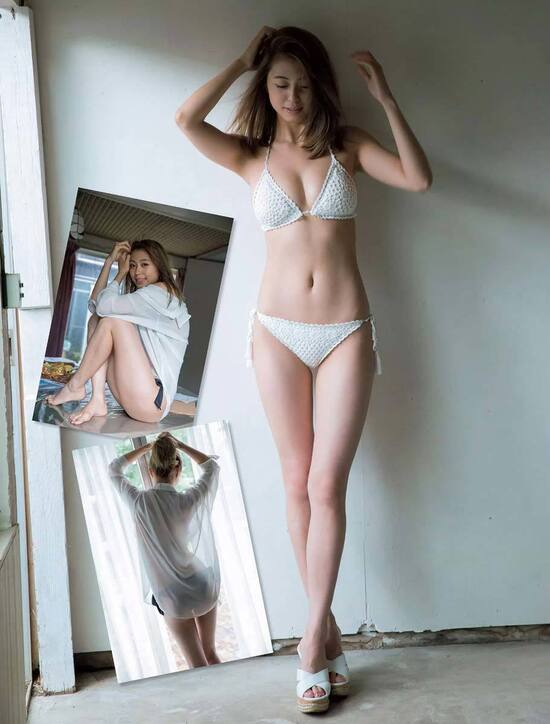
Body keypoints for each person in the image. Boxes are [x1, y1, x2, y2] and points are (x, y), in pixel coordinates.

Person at [175, 25, 432, 713]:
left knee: (326, 484)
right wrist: (242, 60)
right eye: (278, 83)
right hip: (277, 333)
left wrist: (386, 99)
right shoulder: (250, 155)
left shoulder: (348, 145)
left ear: (321, 85)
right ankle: (328, 635)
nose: (290, 96)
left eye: (301, 83)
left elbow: (418, 178)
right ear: (265, 87)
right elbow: (186, 119)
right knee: (296, 481)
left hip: (345, 330)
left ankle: (310, 641)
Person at [108, 431, 222, 668]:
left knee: (197, 665)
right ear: (178, 470)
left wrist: (147, 447)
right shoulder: (188, 500)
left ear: (150, 470)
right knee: (211, 653)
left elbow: (114, 469)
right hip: (201, 582)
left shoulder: (139, 502)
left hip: (173, 595)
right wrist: (179, 445)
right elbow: (211, 467)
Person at [46, 239, 190, 425]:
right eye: (132, 265)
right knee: (97, 320)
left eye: (144, 264)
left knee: (111, 321)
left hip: (153, 402)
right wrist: (111, 264)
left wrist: (119, 276)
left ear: (159, 265)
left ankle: (75, 385)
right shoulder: (144, 299)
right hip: (134, 392)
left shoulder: (162, 293)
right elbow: (96, 306)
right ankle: (97, 399)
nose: (137, 272)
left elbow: (103, 307)